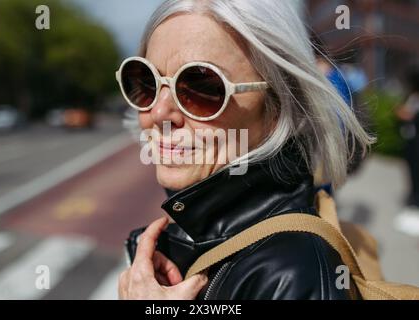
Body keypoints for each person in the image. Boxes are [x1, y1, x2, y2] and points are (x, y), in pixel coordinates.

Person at [117, 0, 373, 300]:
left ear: (278, 106)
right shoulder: (189, 233)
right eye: (146, 80)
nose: (159, 112)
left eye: (202, 86)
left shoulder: (289, 277)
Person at [394, 67, 419, 236]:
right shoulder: (411, 96)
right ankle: (413, 195)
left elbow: (409, 115)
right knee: (411, 170)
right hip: (410, 141)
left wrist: (404, 114)